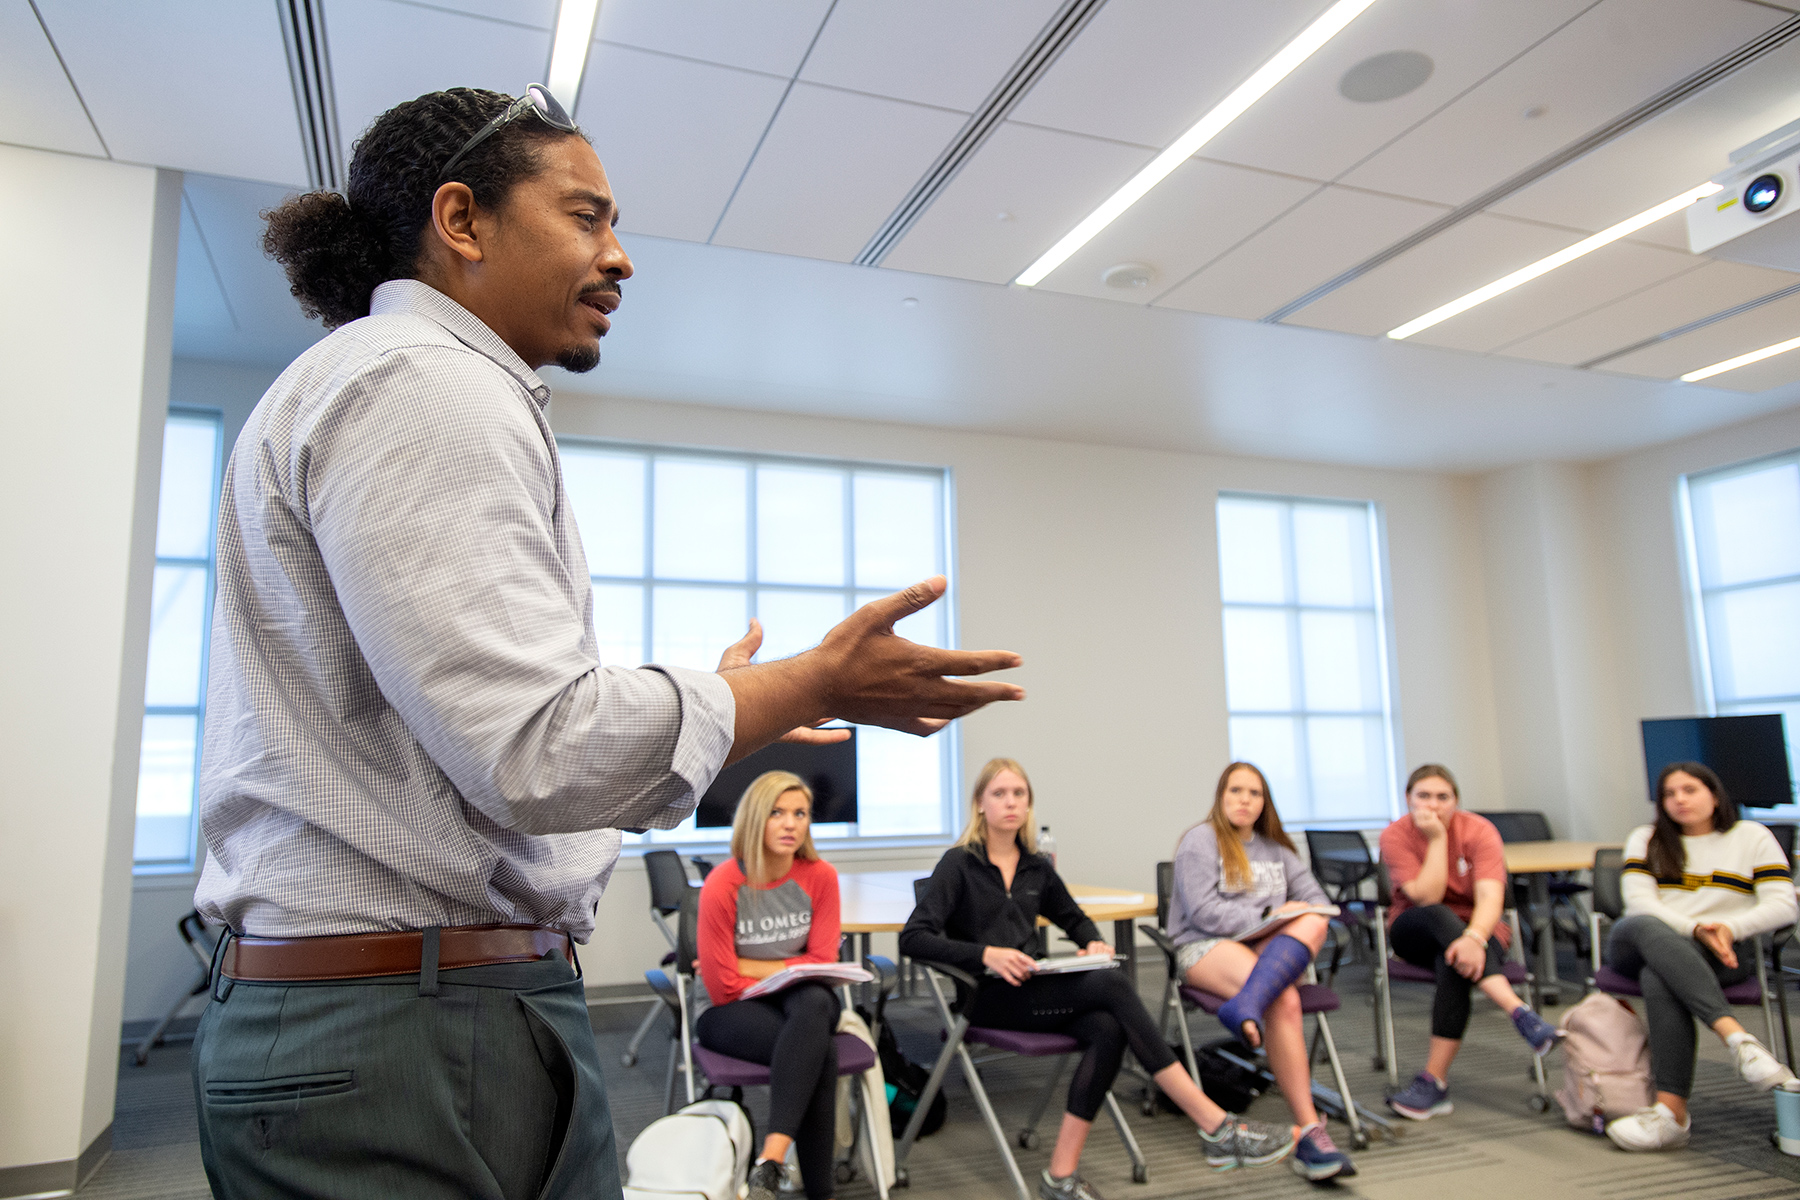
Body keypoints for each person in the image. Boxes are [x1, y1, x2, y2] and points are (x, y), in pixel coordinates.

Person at [191, 85, 1024, 1200]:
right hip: (403, 1026)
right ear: (462, 221)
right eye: (586, 217)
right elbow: (535, 748)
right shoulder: (424, 384)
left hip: (429, 1006)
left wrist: (733, 713)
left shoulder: (398, 382)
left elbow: (503, 750)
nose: (621, 255)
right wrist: (809, 680)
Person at [902, 759, 1296, 1198]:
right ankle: (1214, 1123)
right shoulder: (959, 864)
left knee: (1108, 1028)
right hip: (987, 998)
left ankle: (1060, 1176)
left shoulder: (1034, 867)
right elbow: (914, 939)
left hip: (1034, 991)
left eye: (1019, 794)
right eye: (999, 794)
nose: (1010, 802)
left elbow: (1075, 919)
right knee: (1110, 984)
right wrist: (986, 955)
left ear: (1029, 804)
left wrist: (1093, 944)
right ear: (980, 804)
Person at [1169, 762, 1354, 1182]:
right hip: (1204, 946)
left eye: (1254, 793)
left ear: (1264, 802)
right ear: (1221, 796)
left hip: (1261, 950)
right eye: (1235, 791)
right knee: (1284, 995)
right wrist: (1270, 913)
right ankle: (1311, 1129)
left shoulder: (1278, 850)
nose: (1244, 800)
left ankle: (1248, 1005)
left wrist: (1289, 917)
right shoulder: (1200, 841)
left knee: (1314, 920)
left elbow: (1319, 901)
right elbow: (1203, 912)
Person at [1602, 761, 1797, 1151]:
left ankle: (1671, 1115)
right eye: (1669, 794)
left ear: (1714, 794)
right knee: (1644, 925)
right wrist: (1696, 929)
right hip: (1637, 942)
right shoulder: (1647, 837)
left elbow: (1785, 905)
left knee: (1660, 976)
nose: (1679, 800)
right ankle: (1738, 1039)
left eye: (1689, 790)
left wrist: (1728, 929)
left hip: (1721, 951)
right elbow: (1639, 902)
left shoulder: (1752, 837)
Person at [1379, 764, 1560, 1120]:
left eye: (1443, 797)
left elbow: (1491, 898)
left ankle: (1434, 1082)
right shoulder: (1395, 834)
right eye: (1424, 797)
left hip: (1480, 927)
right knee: (1438, 915)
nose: (1433, 806)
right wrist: (1437, 839)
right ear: (1408, 800)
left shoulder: (1479, 830)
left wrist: (1474, 938)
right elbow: (1426, 897)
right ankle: (1518, 1011)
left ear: (1456, 800)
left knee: (1454, 962)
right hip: (1414, 927)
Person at [696, 772, 845, 1200]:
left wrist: (748, 963)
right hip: (727, 1010)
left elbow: (822, 962)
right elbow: (722, 986)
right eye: (777, 813)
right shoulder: (724, 883)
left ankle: (772, 1157)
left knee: (816, 1000)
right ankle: (818, 1191)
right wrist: (782, 970)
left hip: (801, 998)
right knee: (821, 1050)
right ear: (754, 820)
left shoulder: (820, 876)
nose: (790, 824)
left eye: (800, 814)